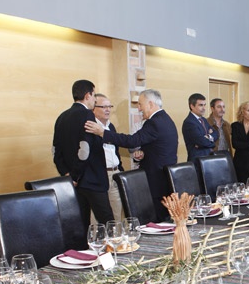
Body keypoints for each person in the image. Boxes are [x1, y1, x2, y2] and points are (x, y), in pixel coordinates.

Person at [85, 89, 178, 222]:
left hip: (156, 179)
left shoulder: (154, 122)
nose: (139, 109)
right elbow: (159, 147)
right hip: (163, 176)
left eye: (140, 104)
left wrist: (102, 133)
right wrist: (144, 153)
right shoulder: (165, 119)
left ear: (150, 104)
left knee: (158, 220)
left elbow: (132, 141)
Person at [53, 79, 114, 227]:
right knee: (108, 223)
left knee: (82, 224)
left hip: (72, 182)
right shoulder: (87, 115)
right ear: (88, 95)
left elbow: (55, 150)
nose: (94, 100)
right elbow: (84, 149)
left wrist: (66, 173)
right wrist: (75, 175)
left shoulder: (61, 117)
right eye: (94, 95)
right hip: (91, 179)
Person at [92, 93, 124, 222]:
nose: (108, 110)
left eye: (110, 106)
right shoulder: (91, 127)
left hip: (114, 173)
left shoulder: (111, 126)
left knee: (117, 213)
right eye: (104, 107)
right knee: (99, 216)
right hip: (99, 175)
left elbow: (116, 151)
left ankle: (117, 235)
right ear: (93, 109)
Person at [182, 93, 217, 162]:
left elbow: (216, 133)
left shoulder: (204, 120)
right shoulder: (189, 122)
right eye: (201, 105)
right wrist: (212, 142)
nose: (204, 108)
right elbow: (202, 142)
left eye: (204, 105)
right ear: (192, 106)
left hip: (208, 159)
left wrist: (208, 137)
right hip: (197, 161)